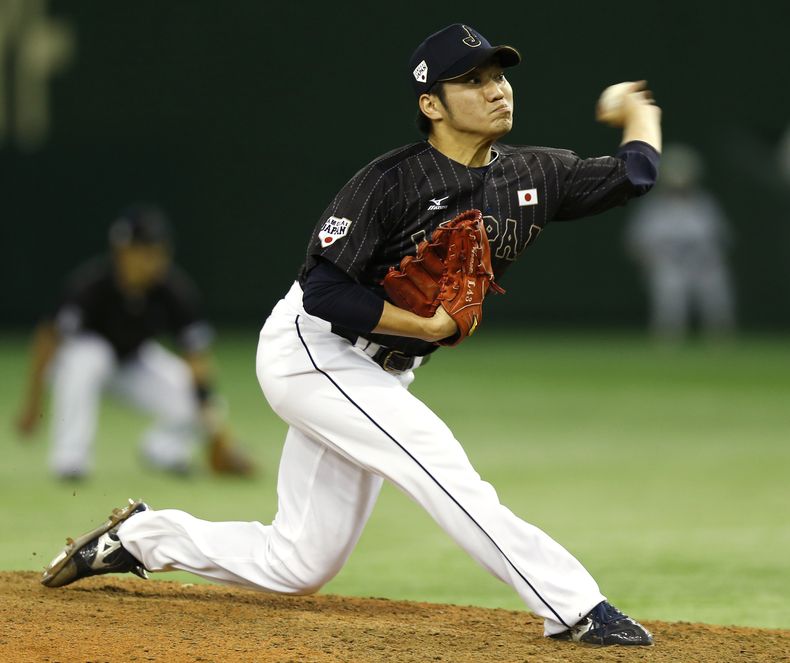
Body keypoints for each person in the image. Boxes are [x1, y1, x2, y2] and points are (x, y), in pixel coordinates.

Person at [41, 25, 661, 646]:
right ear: (431, 104)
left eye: (498, 75)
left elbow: (634, 174)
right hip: (313, 350)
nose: (496, 90)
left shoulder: (535, 173)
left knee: (299, 563)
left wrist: (639, 111)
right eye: (472, 80)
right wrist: (424, 326)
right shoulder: (391, 182)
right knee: (435, 461)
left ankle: (141, 538)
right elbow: (324, 291)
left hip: (382, 371)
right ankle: (576, 608)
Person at [15, 204, 255, 479]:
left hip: (134, 362)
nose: (152, 260)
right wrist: (33, 404)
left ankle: (163, 451)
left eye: (158, 251)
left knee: (197, 396)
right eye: (143, 251)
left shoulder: (173, 289)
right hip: (89, 360)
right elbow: (48, 338)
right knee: (82, 361)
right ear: (122, 252)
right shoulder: (92, 284)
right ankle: (70, 460)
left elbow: (197, 359)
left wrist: (216, 431)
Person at [625, 143, 736, 341]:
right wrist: (651, 263)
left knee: (716, 296)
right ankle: (668, 342)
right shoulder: (653, 208)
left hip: (704, 264)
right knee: (669, 295)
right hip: (669, 264)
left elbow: (722, 239)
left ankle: (720, 341)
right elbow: (637, 242)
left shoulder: (705, 204)